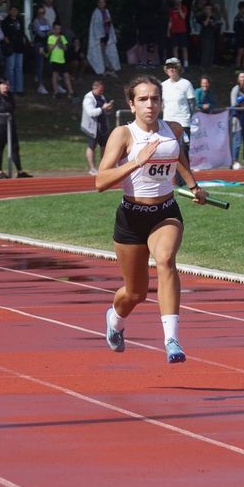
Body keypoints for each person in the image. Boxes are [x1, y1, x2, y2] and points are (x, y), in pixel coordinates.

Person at [94, 74, 210, 364]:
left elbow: (178, 156)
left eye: (155, 99)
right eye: (143, 99)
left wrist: (193, 185)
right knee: (135, 293)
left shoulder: (173, 130)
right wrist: (137, 161)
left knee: (166, 259)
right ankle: (115, 320)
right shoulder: (123, 135)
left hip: (165, 212)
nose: (150, 104)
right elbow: (101, 181)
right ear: (131, 104)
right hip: (132, 217)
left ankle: (172, 339)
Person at [0, 78, 29, 179]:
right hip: (0, 127)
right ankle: (0, 172)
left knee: (15, 148)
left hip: (10, 126)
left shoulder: (10, 96)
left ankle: (20, 171)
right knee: (0, 148)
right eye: (3, 84)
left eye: (7, 84)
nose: (5, 86)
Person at [160, 57, 195, 186]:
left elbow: (192, 103)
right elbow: (161, 104)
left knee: (183, 152)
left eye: (173, 67)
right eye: (169, 67)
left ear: (178, 68)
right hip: (168, 123)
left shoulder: (186, 84)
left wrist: (189, 118)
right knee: (170, 152)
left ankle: (185, 182)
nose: (171, 69)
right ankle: (172, 181)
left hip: (183, 123)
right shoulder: (163, 85)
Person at [81, 79, 113, 175]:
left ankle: (103, 167)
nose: (102, 92)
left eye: (102, 90)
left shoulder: (101, 97)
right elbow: (91, 113)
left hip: (102, 126)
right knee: (92, 146)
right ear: (94, 88)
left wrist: (108, 109)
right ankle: (92, 168)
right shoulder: (88, 99)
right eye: (100, 90)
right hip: (92, 127)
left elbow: (104, 110)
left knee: (104, 146)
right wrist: (103, 108)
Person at [89, 0, 121, 78]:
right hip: (100, 36)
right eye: (100, 2)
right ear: (98, 3)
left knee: (109, 52)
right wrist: (105, 21)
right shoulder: (96, 12)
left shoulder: (106, 11)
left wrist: (109, 21)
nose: (101, 4)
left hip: (107, 34)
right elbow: (95, 25)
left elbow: (109, 22)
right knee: (101, 52)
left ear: (105, 4)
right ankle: (105, 69)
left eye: (103, 2)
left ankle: (110, 68)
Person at [1, 5, 28, 93]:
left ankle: (19, 88)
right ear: (9, 11)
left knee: (19, 68)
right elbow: (4, 34)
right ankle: (10, 88)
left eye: (15, 10)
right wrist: (8, 43)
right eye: (12, 10)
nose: (14, 11)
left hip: (20, 47)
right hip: (11, 48)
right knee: (10, 68)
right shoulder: (5, 21)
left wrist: (24, 40)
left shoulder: (19, 20)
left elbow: (22, 32)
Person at [230, 71, 244, 169]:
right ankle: (234, 161)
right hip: (238, 117)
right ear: (238, 79)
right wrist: (239, 102)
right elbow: (233, 103)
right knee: (237, 140)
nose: (243, 79)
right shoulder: (235, 89)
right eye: (241, 77)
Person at [47, 23, 74, 97]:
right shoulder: (51, 38)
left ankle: (71, 92)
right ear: (53, 29)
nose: (58, 30)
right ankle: (55, 92)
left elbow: (65, 49)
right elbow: (49, 49)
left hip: (62, 60)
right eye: (56, 29)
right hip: (54, 59)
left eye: (59, 29)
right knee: (55, 75)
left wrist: (61, 44)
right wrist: (56, 43)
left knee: (66, 75)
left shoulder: (62, 37)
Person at [30, 6, 52, 94]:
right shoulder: (35, 21)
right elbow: (40, 34)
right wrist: (47, 33)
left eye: (43, 13)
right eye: (40, 13)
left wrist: (46, 33)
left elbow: (51, 30)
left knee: (48, 63)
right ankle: (40, 85)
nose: (41, 14)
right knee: (40, 64)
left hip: (46, 44)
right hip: (39, 45)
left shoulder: (46, 21)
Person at [166, 0, 190, 69]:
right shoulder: (171, 9)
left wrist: (179, 9)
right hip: (174, 31)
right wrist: (168, 31)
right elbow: (170, 21)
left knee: (184, 47)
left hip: (182, 30)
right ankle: (177, 64)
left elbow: (183, 17)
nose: (178, 0)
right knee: (175, 48)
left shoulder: (184, 8)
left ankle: (186, 64)